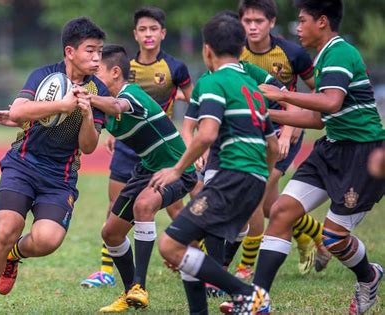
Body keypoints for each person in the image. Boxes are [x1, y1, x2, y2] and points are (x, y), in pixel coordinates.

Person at [0, 17, 109, 315]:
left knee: (48, 240)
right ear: (70, 52)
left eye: (100, 51)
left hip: (60, 177)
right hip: (23, 164)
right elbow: (18, 112)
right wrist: (62, 105)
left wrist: (84, 113)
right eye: (90, 50)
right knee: (7, 228)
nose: (97, 58)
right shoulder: (44, 76)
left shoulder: (100, 91)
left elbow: (88, 147)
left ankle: (13, 255)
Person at [251, 1, 384, 313]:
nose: (297, 28)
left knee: (335, 240)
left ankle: (369, 276)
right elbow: (320, 118)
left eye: (302, 21)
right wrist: (266, 114)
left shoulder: (339, 52)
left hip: (362, 154)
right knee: (282, 211)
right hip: (331, 148)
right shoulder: (324, 57)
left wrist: (280, 94)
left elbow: (332, 102)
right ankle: (257, 301)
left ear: (322, 22)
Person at [149, 15, 279, 314]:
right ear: (242, 47)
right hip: (253, 179)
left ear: (207, 49)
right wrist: (262, 178)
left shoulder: (213, 82)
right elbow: (272, 146)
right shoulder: (252, 86)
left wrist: (178, 169)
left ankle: (248, 294)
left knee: (170, 245)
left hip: (230, 177)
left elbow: (205, 133)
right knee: (186, 244)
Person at [80, 6, 195, 289]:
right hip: (146, 168)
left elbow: (118, 106)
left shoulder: (131, 94)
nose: (92, 80)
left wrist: (85, 97)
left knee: (146, 206)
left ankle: (139, 288)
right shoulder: (103, 106)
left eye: (97, 74)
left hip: (177, 168)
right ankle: (129, 284)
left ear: (116, 72)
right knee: (111, 232)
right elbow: (88, 143)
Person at [233, 0, 328, 280]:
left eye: (259, 21)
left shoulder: (293, 53)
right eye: (247, 21)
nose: (252, 26)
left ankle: (245, 268)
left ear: (272, 22)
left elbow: (320, 91)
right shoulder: (236, 53)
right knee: (269, 208)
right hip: (252, 135)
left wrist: (290, 129)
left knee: (252, 196)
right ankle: (314, 235)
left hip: (284, 135)